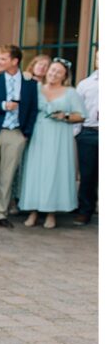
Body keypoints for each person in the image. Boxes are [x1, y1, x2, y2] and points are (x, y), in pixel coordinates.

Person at [19, 58, 86, 229]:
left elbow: (81, 115)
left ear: (64, 76)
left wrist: (65, 116)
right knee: (35, 170)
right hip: (38, 133)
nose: (53, 74)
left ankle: (51, 213)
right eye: (52, 70)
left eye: (58, 72)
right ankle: (33, 211)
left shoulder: (70, 92)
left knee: (54, 171)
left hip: (59, 135)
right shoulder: (36, 88)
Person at [0, 45, 38, 228]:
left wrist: (25, 134)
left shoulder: (29, 84)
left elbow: (33, 110)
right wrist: (3, 105)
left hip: (16, 133)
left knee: (8, 175)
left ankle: (1, 213)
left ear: (15, 61)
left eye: (3, 59)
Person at [73, 52, 98, 225]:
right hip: (88, 133)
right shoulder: (85, 84)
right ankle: (85, 211)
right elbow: (77, 109)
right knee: (88, 175)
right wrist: (77, 133)